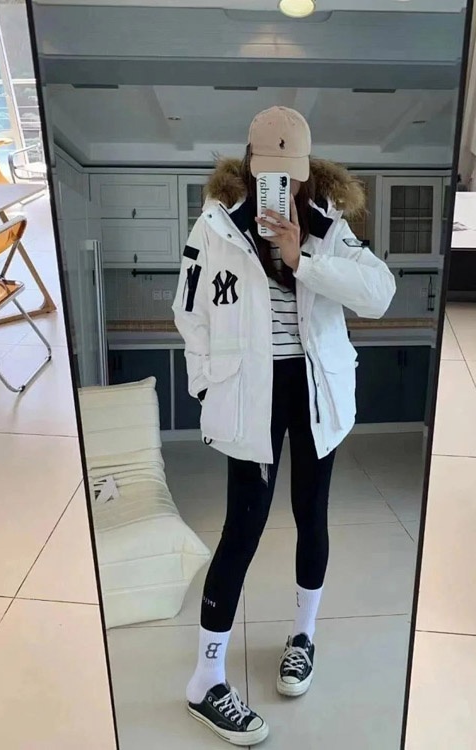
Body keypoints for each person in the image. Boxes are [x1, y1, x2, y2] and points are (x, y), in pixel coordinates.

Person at [173, 106, 396, 745]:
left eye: (290, 173)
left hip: (314, 391)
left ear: (305, 169)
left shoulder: (328, 226)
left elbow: (379, 295)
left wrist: (303, 259)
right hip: (251, 392)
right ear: (250, 163)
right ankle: (205, 679)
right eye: (269, 171)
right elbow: (189, 312)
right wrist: (207, 385)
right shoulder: (215, 226)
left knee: (311, 513)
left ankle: (303, 637)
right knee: (243, 526)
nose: (282, 184)